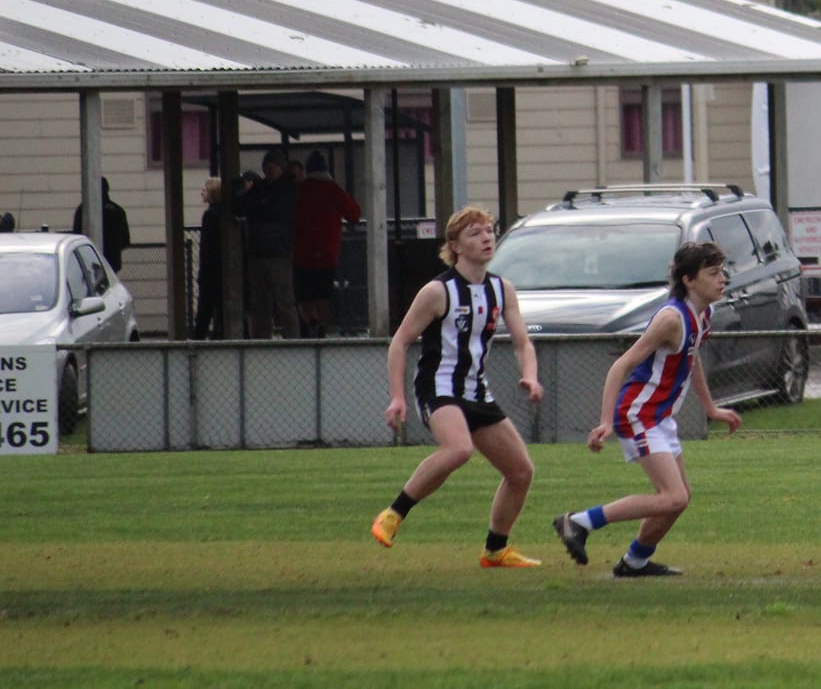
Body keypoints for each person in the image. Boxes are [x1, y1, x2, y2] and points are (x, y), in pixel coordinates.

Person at [550, 240, 741, 577]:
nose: (722, 278)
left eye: (722, 271)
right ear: (688, 280)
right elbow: (620, 366)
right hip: (638, 414)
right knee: (673, 497)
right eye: (713, 273)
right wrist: (606, 421)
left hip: (659, 417)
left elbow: (691, 358)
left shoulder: (703, 314)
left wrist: (711, 409)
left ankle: (634, 562)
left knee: (678, 499)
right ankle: (578, 522)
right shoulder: (670, 319)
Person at [372, 205, 544, 568]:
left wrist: (530, 374)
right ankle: (393, 513)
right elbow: (399, 342)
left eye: (489, 231)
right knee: (459, 449)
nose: (486, 238)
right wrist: (397, 397)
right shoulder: (438, 291)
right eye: (475, 233)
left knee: (521, 472)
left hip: (476, 390)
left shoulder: (502, 289)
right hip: (438, 386)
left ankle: (495, 550)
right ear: (455, 245)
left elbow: (522, 343)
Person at [293, 151, 360, 338]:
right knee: (323, 296)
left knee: (303, 298)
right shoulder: (333, 190)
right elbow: (354, 215)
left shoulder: (299, 190)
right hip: (327, 254)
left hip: (301, 254)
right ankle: (322, 327)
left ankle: (311, 322)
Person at [237, 151, 300, 339]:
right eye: (267, 168)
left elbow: (256, 209)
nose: (270, 171)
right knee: (261, 304)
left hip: (277, 254)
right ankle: (264, 341)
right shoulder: (266, 189)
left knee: (283, 302)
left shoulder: (285, 190)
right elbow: (241, 207)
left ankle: (291, 342)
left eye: (273, 167)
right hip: (263, 253)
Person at [192, 176, 228, 341]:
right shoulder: (225, 213)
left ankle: (198, 340)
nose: (202, 193)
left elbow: (207, 247)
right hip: (222, 270)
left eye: (205, 190)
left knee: (204, 310)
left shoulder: (210, 215)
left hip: (210, 271)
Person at [72, 177, 132, 273]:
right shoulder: (117, 211)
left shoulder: (83, 210)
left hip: (88, 260)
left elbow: (76, 235)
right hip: (112, 261)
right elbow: (125, 240)